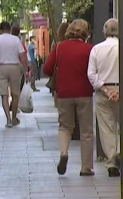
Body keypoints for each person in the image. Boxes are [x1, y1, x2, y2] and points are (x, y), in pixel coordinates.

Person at [43, 19, 94, 176]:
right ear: (86, 33)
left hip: (63, 93)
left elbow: (46, 69)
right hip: (84, 93)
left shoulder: (59, 48)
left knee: (65, 127)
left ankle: (64, 153)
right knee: (86, 131)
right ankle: (86, 167)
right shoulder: (89, 49)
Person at [87, 18, 120, 177]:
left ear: (104, 31)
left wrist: (106, 91)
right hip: (119, 89)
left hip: (102, 92)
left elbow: (91, 74)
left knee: (106, 128)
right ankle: (119, 151)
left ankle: (111, 161)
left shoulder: (96, 49)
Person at [0, 22, 28, 128]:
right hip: (14, 67)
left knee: (4, 95)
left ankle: (8, 119)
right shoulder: (16, 39)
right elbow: (23, 56)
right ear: (10, 29)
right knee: (15, 94)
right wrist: (26, 69)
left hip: (1, 68)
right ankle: (14, 117)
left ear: (0, 30)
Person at [11, 26, 28, 92]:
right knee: (18, 82)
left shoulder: (8, 42)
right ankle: (17, 93)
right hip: (19, 65)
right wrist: (26, 69)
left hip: (10, 64)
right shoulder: (20, 43)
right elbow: (24, 57)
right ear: (18, 33)